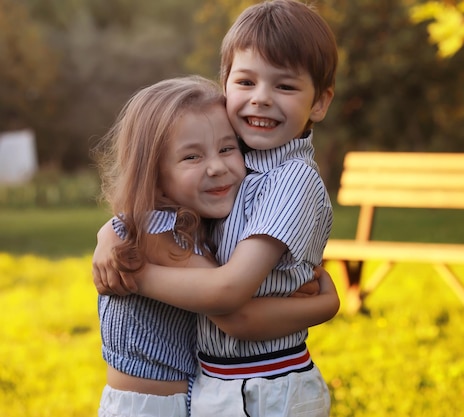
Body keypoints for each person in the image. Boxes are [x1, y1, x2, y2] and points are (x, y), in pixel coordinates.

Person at [92, 75, 339, 417]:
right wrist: (326, 305)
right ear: (155, 178)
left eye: (227, 148)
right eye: (191, 157)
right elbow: (233, 312)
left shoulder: (189, 223)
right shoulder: (160, 233)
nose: (217, 167)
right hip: (150, 408)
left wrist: (109, 232)